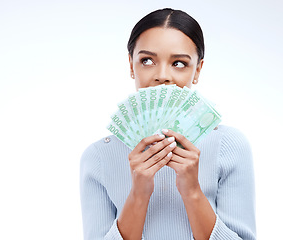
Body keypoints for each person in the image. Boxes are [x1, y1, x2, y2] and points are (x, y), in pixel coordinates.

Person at [80, 8, 256, 240]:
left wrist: (192, 191)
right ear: (132, 66)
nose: (162, 75)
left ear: (198, 70)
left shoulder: (229, 146)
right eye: (147, 60)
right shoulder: (98, 156)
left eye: (179, 63)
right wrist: (139, 194)